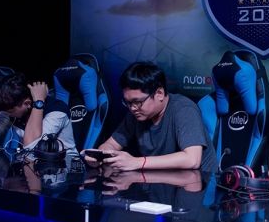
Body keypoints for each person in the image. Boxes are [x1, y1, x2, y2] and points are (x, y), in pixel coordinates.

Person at [83, 61, 216, 172]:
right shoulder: (136, 113)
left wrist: (136, 162)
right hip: (159, 183)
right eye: (128, 102)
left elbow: (192, 160)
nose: (132, 108)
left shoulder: (184, 109)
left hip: (197, 185)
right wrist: (100, 156)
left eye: (137, 102)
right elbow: (111, 144)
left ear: (159, 93)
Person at [0, 73, 77, 154]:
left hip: (64, 165)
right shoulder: (12, 111)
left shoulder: (56, 110)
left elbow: (31, 145)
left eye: (10, 111)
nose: (7, 114)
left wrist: (39, 102)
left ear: (27, 104)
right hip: (33, 164)